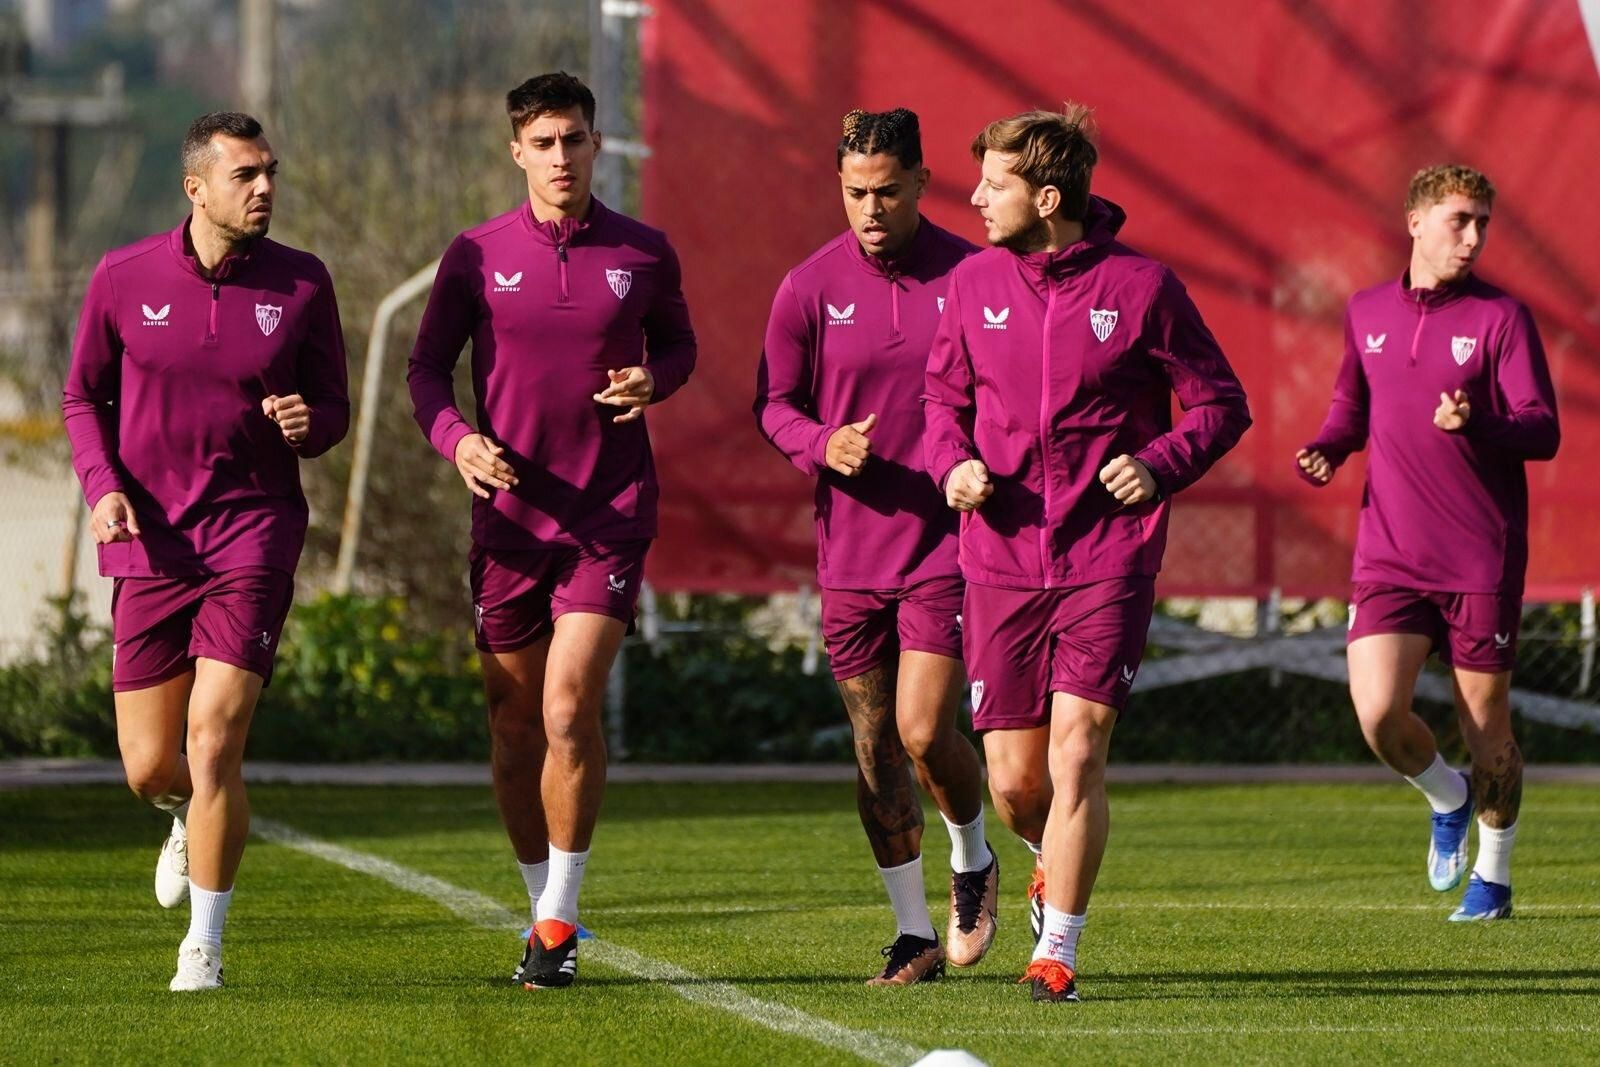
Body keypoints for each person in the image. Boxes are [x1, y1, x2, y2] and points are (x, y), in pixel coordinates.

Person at [923, 106, 1250, 1002]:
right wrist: (952, 464)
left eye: (994, 183)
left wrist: (1159, 463)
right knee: (1015, 783)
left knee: (1079, 755)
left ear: (1047, 196)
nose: (976, 198)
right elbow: (941, 403)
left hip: (1108, 556)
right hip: (998, 560)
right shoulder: (971, 284)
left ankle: (1057, 952)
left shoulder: (1143, 288)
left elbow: (1221, 405)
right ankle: (1043, 858)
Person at [407, 71, 696, 990]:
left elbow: (679, 346)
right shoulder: (475, 255)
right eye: (543, 143)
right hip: (508, 521)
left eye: (574, 139)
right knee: (512, 728)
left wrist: (655, 379)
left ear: (596, 144)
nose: (561, 157)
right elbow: (425, 369)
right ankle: (541, 904)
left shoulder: (643, 251)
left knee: (568, 708)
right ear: (517, 152)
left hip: (608, 515)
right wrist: (458, 440)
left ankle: (560, 917)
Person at [62, 111, 349, 991]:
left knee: (215, 738)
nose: (264, 188)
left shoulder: (302, 282)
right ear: (196, 187)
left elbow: (333, 411)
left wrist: (308, 423)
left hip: (253, 534)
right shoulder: (122, 276)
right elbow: (81, 398)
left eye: (270, 173)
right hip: (150, 543)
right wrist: (102, 487)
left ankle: (204, 946)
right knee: (152, 767)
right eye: (245, 175)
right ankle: (183, 815)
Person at [755, 108, 994, 987]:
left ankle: (972, 855)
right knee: (874, 748)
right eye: (856, 192)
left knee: (924, 728)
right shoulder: (807, 287)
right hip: (851, 556)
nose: (870, 208)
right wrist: (823, 444)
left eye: (887, 191)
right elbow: (773, 404)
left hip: (946, 546)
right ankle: (912, 933)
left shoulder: (974, 276)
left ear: (922, 182)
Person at [1296, 164, 1558, 922]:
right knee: (1378, 714)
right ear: (1416, 222)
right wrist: (1329, 447)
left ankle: (1494, 879)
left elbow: (1542, 429)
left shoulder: (1502, 318)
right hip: (1390, 553)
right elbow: (1351, 406)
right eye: (1458, 220)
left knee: (1487, 727)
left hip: (1480, 557)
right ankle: (1447, 795)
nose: (1473, 237)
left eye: (1482, 223)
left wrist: (1478, 421)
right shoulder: (1366, 309)